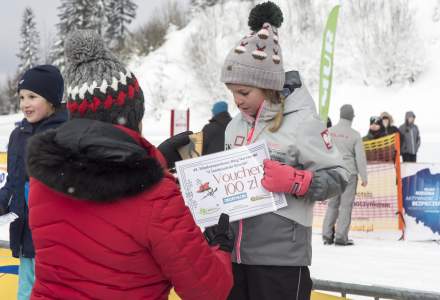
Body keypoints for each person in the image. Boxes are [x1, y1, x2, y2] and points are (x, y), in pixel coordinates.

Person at [26, 30, 233, 300]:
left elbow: (102, 185)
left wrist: (155, 161)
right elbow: (207, 291)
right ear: (133, 117)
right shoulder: (156, 198)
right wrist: (219, 247)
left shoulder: (45, 179)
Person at [220, 2, 348, 299]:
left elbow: (340, 175)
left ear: (266, 86)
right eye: (232, 93)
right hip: (235, 257)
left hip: (281, 262)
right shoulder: (234, 126)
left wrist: (297, 181)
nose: (237, 101)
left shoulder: (302, 122)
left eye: (244, 92)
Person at [0, 65, 67, 300]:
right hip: (25, 232)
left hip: (57, 239)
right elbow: (13, 182)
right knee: (26, 290)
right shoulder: (18, 135)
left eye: (32, 96)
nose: (25, 103)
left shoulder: (65, 134)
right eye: (21, 97)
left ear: (51, 99)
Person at [322, 104, 368, 246]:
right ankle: (341, 237)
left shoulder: (328, 131)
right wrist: (364, 177)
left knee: (332, 205)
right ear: (351, 117)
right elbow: (360, 158)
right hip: (349, 174)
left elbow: (323, 152)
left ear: (340, 115)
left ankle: (327, 235)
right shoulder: (355, 135)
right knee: (345, 206)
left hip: (333, 172)